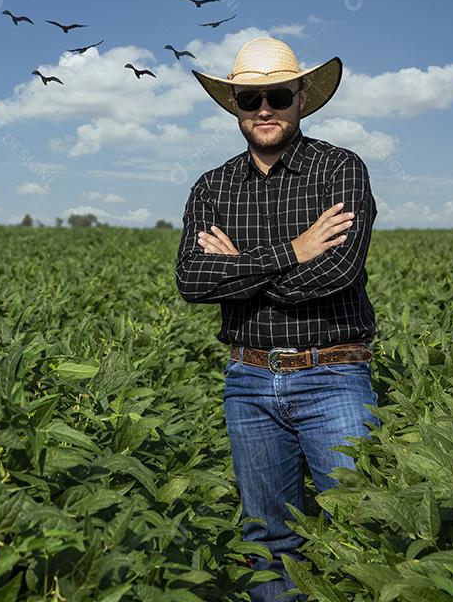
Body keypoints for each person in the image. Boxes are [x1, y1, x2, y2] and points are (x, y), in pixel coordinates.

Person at [176, 36, 381, 602]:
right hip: (248, 380)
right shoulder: (213, 187)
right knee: (269, 540)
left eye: (278, 96)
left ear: (301, 98)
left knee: (361, 528)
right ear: (235, 105)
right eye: (250, 98)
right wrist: (294, 250)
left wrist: (238, 270)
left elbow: (338, 271)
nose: (264, 109)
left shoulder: (338, 169)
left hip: (334, 373)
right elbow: (192, 281)